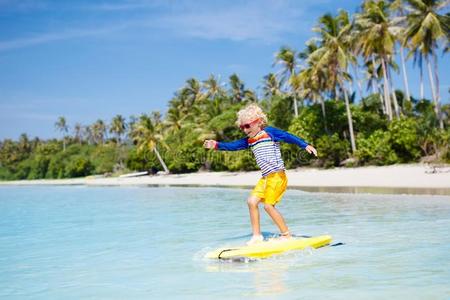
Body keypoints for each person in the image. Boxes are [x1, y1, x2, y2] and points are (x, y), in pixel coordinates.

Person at [203, 103, 317, 245]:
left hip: (277, 176)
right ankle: (257, 236)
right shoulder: (249, 140)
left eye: (247, 126)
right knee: (251, 202)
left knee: (268, 206)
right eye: (242, 127)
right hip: (265, 178)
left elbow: (288, 136)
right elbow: (233, 146)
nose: (245, 130)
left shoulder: (269, 133)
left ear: (259, 122)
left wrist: (305, 145)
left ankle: (286, 235)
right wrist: (216, 145)